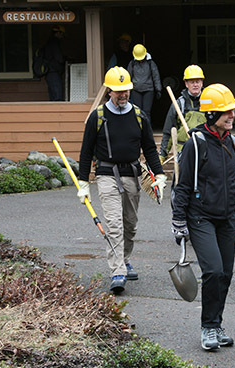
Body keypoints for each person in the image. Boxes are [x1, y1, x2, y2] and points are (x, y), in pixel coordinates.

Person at [78, 66, 167, 294]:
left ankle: (125, 259)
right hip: (107, 175)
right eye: (118, 91)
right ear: (109, 91)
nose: (123, 94)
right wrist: (83, 182)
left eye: (126, 90)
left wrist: (159, 175)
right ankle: (117, 271)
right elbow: (86, 151)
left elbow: (149, 147)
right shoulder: (97, 117)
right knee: (115, 225)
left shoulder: (139, 116)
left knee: (130, 225)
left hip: (132, 176)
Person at [171, 84, 235, 351]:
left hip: (226, 218)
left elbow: (233, 182)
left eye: (232, 111)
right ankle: (208, 328)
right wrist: (179, 221)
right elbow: (183, 186)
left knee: (225, 274)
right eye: (226, 112)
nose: (231, 115)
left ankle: (217, 323)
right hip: (200, 217)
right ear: (211, 115)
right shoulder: (195, 145)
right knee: (212, 271)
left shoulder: (231, 142)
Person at [159, 65, 207, 161]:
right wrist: (162, 155)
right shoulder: (179, 104)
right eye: (192, 82)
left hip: (205, 151)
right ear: (186, 84)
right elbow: (168, 131)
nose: (195, 85)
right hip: (184, 152)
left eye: (198, 81)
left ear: (202, 83)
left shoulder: (210, 102)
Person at [127, 44, 162, 120]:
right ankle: (138, 130)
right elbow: (128, 77)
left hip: (148, 90)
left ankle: (147, 130)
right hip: (136, 90)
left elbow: (156, 76)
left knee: (147, 111)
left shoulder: (150, 63)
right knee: (137, 111)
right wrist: (127, 90)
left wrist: (158, 89)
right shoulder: (132, 64)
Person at [44, 25, 65, 101]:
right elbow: (59, 58)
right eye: (62, 34)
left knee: (53, 96)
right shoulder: (54, 43)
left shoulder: (49, 43)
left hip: (49, 73)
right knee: (57, 97)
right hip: (53, 73)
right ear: (57, 33)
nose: (62, 36)